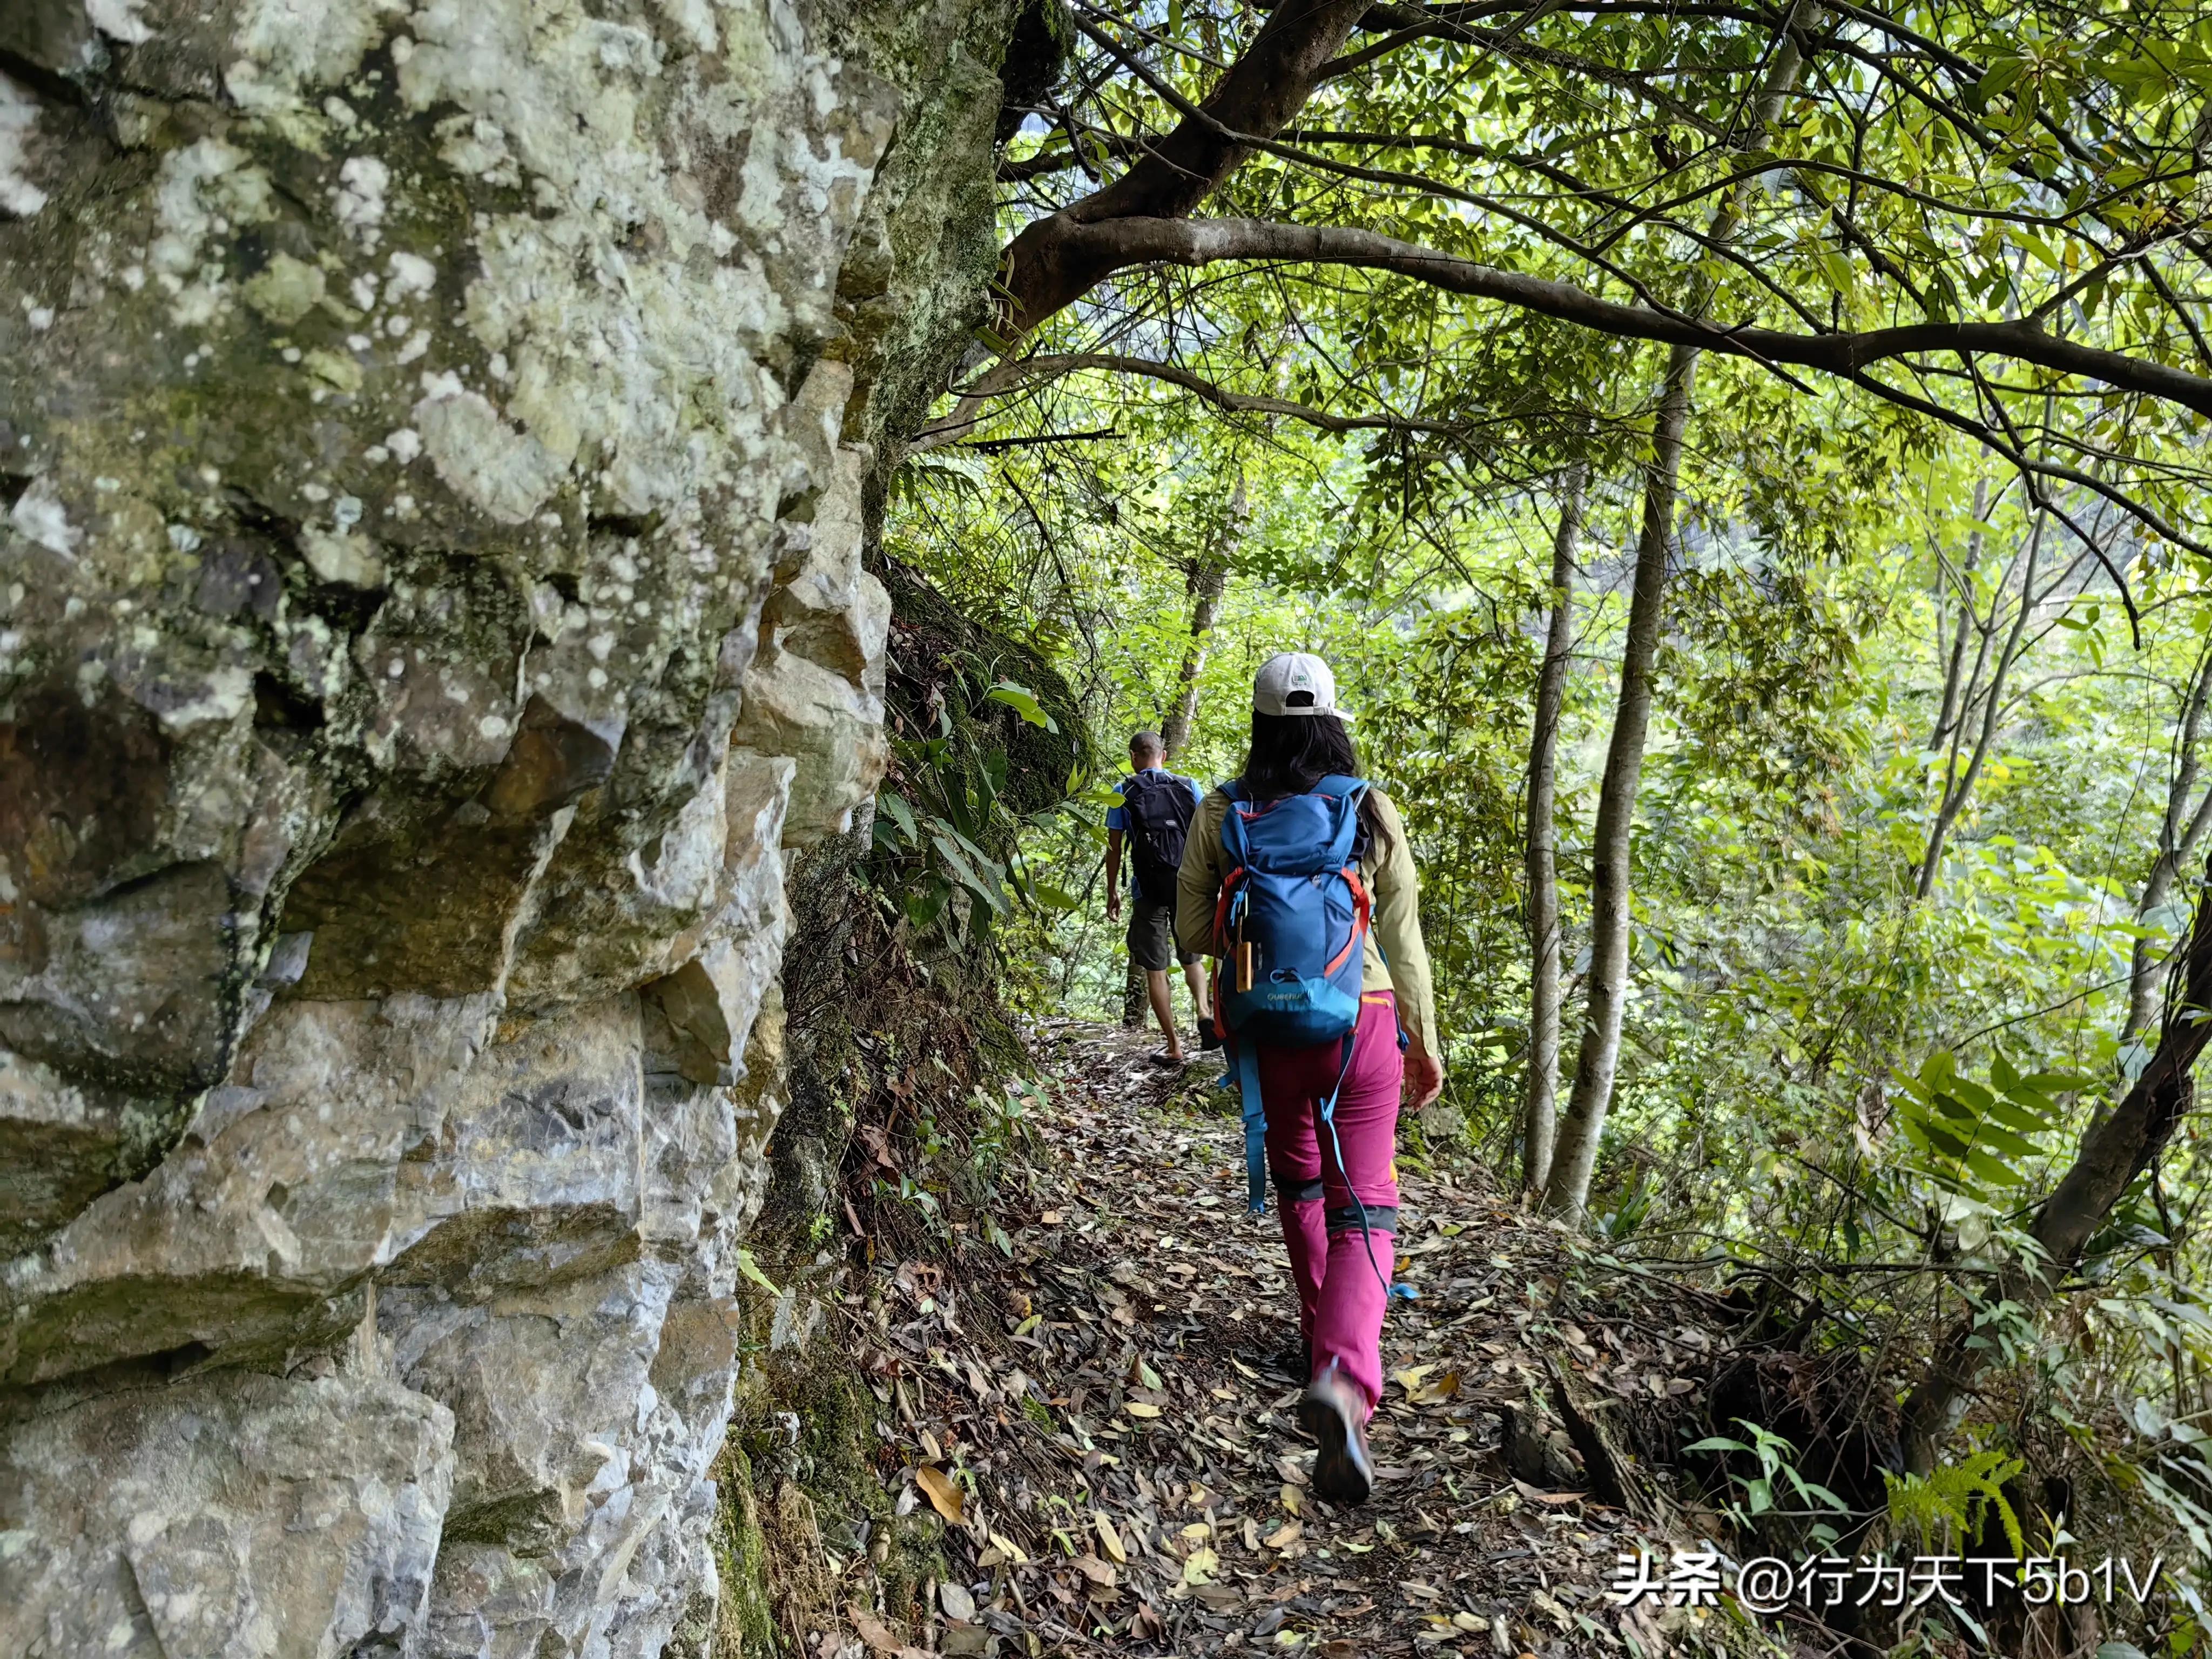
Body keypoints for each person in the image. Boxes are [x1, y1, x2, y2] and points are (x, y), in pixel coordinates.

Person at [1176, 652, 1445, 1504]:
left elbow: (1191, 931)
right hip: (1362, 1021)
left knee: (1298, 1183)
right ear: (1332, 721)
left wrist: (1261, 931)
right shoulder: (1368, 807)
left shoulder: (1222, 809)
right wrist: (1424, 1040)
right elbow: (1403, 940)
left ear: (1260, 724)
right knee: (1365, 1204)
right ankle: (1344, 1376)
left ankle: (1319, 1338)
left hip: (1268, 1029)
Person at [1105, 731, 1216, 1063]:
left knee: (1156, 970)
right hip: (1187, 886)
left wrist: (1112, 891)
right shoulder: (1189, 786)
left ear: (1133, 757)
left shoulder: (1123, 791)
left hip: (1147, 889)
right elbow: (1206, 836)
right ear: (1163, 755)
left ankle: (1174, 1046)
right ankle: (1204, 1012)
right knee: (1192, 957)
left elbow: (1114, 847)